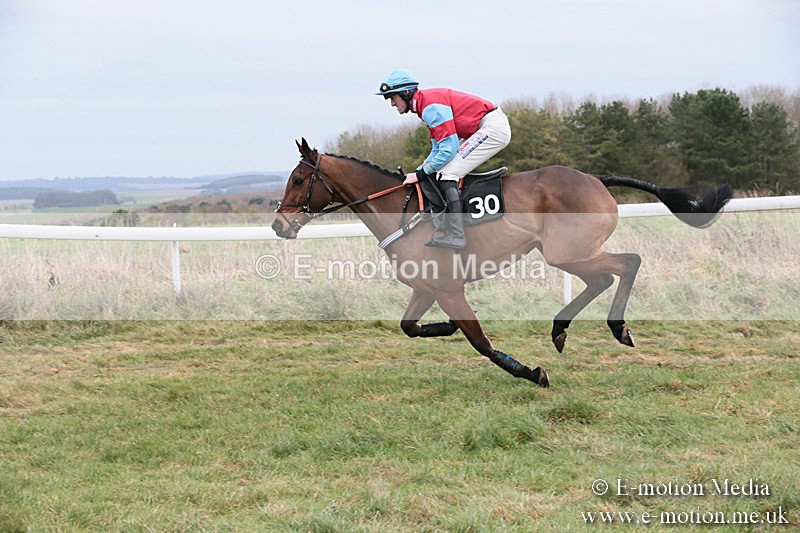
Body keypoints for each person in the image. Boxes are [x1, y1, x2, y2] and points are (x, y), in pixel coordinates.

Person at [376, 68, 511, 250]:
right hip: (483, 126)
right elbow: (438, 149)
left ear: (406, 93)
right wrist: (420, 170)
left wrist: (421, 173)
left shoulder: (431, 107)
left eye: (392, 97)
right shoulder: (424, 107)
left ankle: (457, 235)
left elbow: (448, 150)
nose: (392, 103)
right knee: (439, 170)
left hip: (492, 128)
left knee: (447, 173)